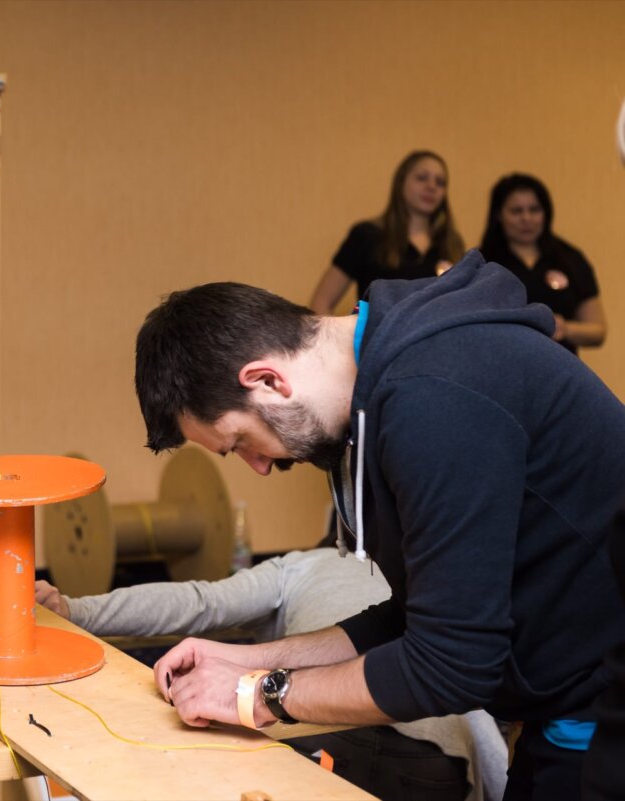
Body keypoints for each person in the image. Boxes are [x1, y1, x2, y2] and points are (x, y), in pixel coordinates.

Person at [133, 251, 625, 799]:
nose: (260, 466)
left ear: (267, 380)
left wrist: (258, 695)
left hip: (601, 710)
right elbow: (421, 619)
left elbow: (449, 666)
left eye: (240, 442)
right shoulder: (393, 385)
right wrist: (251, 658)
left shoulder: (434, 394)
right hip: (569, 706)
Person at [36, 548, 508, 801]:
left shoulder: (298, 566)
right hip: (441, 755)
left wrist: (77, 611)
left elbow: (198, 603)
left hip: (324, 732)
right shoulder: (421, 578)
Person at [309, 150, 465, 314]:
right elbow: (321, 303)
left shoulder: (451, 244)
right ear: (401, 182)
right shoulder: (366, 236)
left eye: (440, 182)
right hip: (380, 339)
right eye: (422, 178)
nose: (432, 186)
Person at [479, 173, 606, 354]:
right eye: (516, 211)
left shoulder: (569, 258)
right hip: (501, 365)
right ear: (499, 215)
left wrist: (566, 328)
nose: (526, 218)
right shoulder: (482, 262)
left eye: (534, 209)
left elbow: (598, 330)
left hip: (561, 368)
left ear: (546, 212)